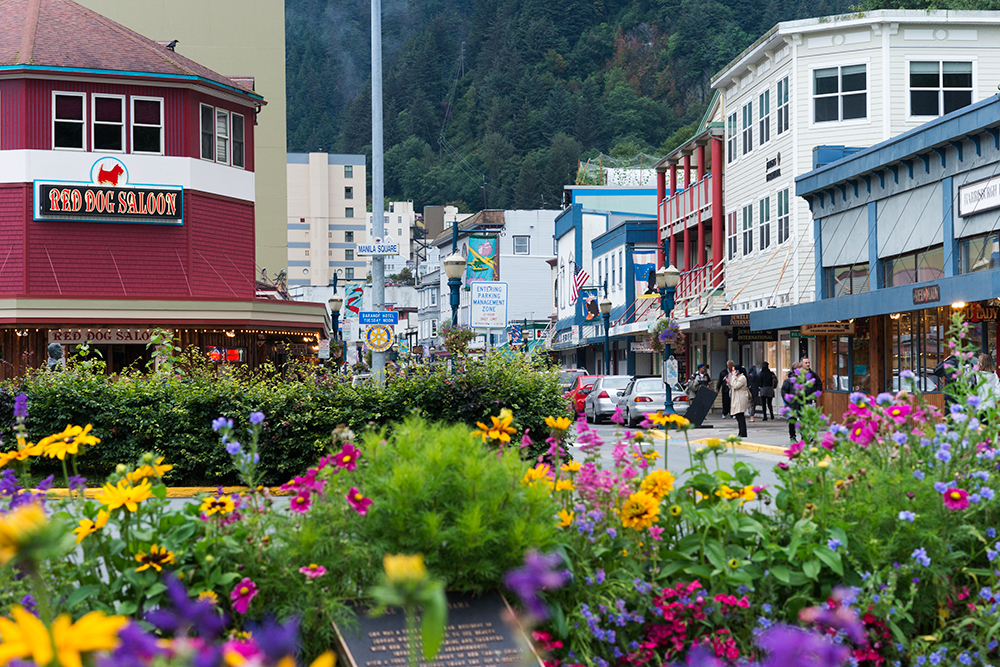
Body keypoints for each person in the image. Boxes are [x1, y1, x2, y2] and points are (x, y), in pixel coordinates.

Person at [781, 362, 802, 442]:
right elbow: (784, 391)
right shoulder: (789, 381)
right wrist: (787, 400)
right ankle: (792, 437)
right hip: (792, 404)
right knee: (792, 421)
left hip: (801, 404)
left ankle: (805, 435)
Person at [729, 365, 751, 438]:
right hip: (737, 398)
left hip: (741, 398)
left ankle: (743, 433)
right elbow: (732, 385)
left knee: (740, 415)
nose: (732, 372)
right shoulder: (737, 377)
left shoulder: (742, 377)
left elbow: (735, 386)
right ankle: (741, 432)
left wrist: (733, 377)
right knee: (738, 416)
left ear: (737, 371)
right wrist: (729, 382)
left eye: (733, 370)